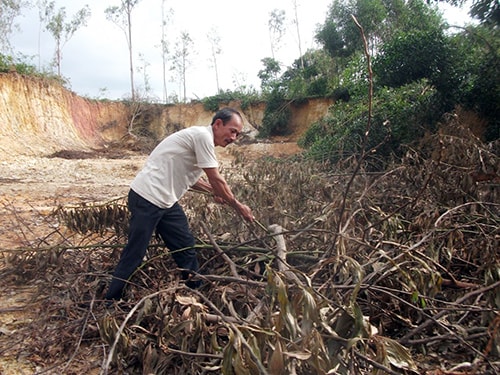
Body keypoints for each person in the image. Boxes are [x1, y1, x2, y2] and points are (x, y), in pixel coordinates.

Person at [105, 107, 254, 302]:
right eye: (232, 131)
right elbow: (216, 179)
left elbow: (194, 180)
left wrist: (215, 193)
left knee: (185, 246)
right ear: (218, 124)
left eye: (238, 134)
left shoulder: (200, 140)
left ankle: (196, 293)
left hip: (166, 201)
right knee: (135, 252)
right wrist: (237, 205)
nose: (234, 137)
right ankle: (111, 300)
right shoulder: (203, 137)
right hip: (147, 197)